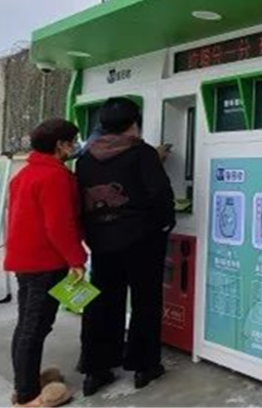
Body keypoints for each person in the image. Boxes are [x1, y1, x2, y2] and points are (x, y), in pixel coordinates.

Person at [74, 97, 176, 395]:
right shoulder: (141, 153)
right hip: (142, 239)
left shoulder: (86, 158)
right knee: (146, 301)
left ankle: (96, 369)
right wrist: (165, 224)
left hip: (102, 241)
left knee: (102, 302)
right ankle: (144, 366)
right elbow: (160, 193)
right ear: (134, 124)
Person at [5, 118, 88, 408]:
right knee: (35, 328)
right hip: (45, 262)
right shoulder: (54, 177)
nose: (75, 146)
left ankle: (26, 382)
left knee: (27, 325)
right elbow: (59, 226)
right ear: (60, 145)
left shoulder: (26, 174)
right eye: (72, 141)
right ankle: (27, 395)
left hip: (25, 261)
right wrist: (76, 259)